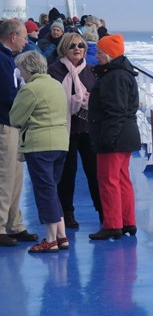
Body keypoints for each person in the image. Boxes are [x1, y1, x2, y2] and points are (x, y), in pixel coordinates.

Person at [9, 51, 69, 253]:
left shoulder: (30, 90)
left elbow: (15, 118)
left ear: (27, 69)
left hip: (40, 145)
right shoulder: (56, 84)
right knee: (52, 189)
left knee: (44, 192)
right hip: (61, 142)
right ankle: (61, 236)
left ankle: (50, 239)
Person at [88, 34, 140, 240]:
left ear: (109, 55)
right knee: (122, 179)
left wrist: (107, 138)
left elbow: (115, 111)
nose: (97, 56)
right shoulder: (122, 73)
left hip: (114, 136)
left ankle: (112, 224)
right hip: (125, 135)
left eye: (100, 53)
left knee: (109, 180)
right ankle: (127, 221)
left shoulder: (114, 77)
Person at [48, 32, 102, 229]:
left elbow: (99, 98)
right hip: (65, 128)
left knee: (94, 172)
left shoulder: (92, 70)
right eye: (72, 46)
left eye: (80, 45)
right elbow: (52, 100)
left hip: (89, 129)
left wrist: (87, 101)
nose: (77, 49)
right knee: (67, 173)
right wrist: (72, 101)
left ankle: (102, 211)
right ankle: (67, 213)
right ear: (63, 49)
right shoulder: (54, 71)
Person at [0, 19, 38, 247]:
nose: (25, 41)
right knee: (5, 176)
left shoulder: (8, 59)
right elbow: (8, 95)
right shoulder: (3, 61)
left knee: (16, 176)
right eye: (24, 36)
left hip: (14, 125)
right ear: (13, 36)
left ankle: (14, 223)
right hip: (6, 124)